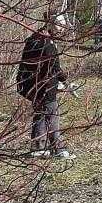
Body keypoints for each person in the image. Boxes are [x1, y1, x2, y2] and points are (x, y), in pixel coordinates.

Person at [18, 11, 74, 159]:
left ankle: (38, 148)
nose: (62, 28)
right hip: (43, 86)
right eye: (59, 24)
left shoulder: (37, 37)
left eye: (63, 24)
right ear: (50, 23)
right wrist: (65, 82)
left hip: (35, 85)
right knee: (52, 115)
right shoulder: (45, 43)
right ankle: (59, 149)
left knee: (42, 115)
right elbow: (54, 67)